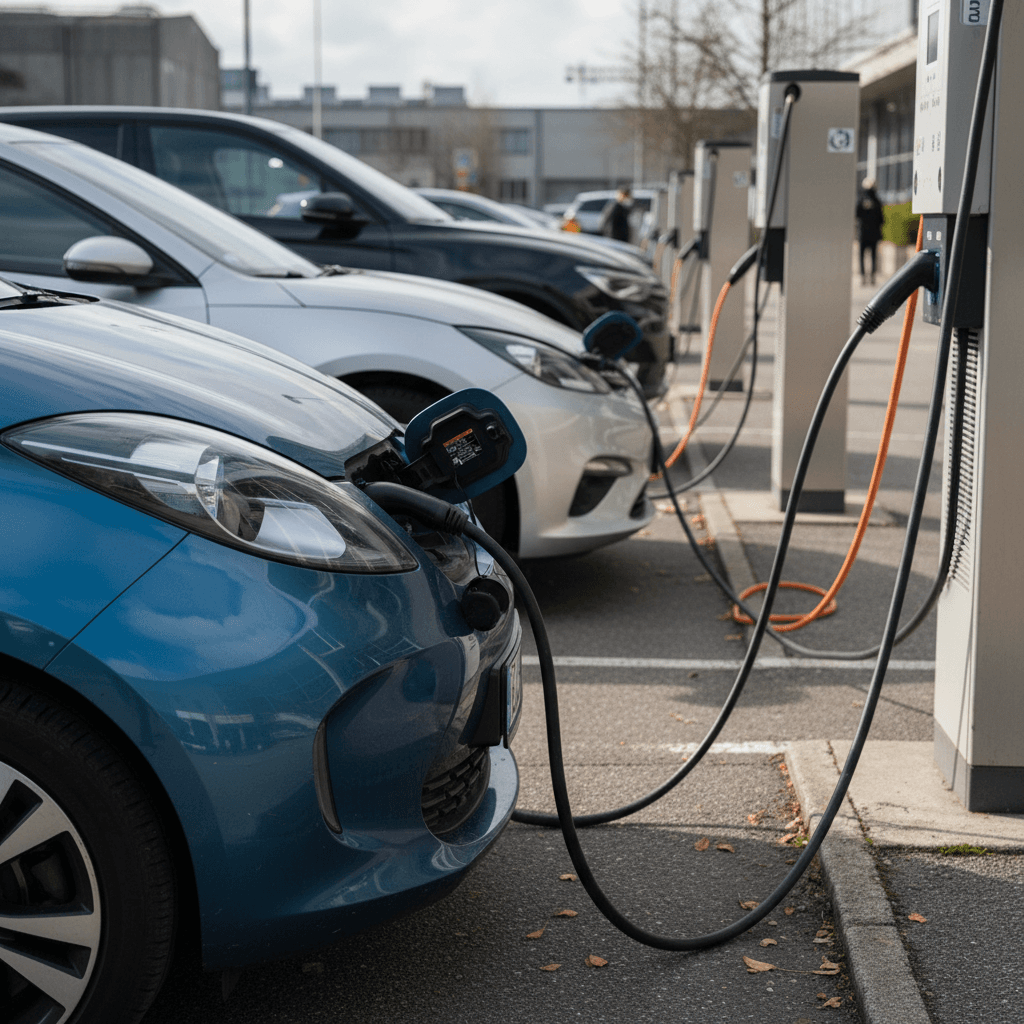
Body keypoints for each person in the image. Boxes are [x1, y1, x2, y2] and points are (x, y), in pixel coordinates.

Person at [855, 177, 885, 285]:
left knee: (862, 256)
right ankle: (872, 277)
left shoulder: (861, 199)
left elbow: (856, 214)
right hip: (874, 233)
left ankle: (863, 276)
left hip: (863, 233)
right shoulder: (877, 200)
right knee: (873, 256)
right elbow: (882, 219)